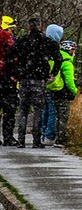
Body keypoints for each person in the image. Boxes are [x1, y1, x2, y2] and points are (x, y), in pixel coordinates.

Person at [6, 17, 62, 148]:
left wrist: (14, 74)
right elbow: (58, 58)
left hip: (24, 79)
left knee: (23, 110)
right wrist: (52, 73)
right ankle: (36, 141)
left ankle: (21, 140)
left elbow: (9, 56)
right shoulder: (47, 42)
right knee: (38, 110)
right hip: (39, 80)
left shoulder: (22, 41)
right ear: (41, 27)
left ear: (28, 28)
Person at [48, 40, 78, 147]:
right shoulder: (67, 62)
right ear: (69, 50)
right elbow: (69, 81)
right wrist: (75, 91)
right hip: (64, 92)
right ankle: (61, 139)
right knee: (63, 116)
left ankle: (57, 137)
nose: (74, 52)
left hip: (55, 91)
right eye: (73, 50)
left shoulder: (57, 58)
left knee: (57, 115)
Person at [41, 23, 64, 143]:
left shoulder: (41, 44)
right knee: (52, 110)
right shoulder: (53, 46)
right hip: (51, 84)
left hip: (40, 81)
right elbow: (59, 60)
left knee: (44, 110)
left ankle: (42, 133)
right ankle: (49, 135)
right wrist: (53, 74)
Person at [0, 16, 18, 146]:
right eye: (11, 28)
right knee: (9, 110)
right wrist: (15, 73)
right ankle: (8, 137)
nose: (12, 31)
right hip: (6, 78)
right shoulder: (6, 37)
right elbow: (14, 55)